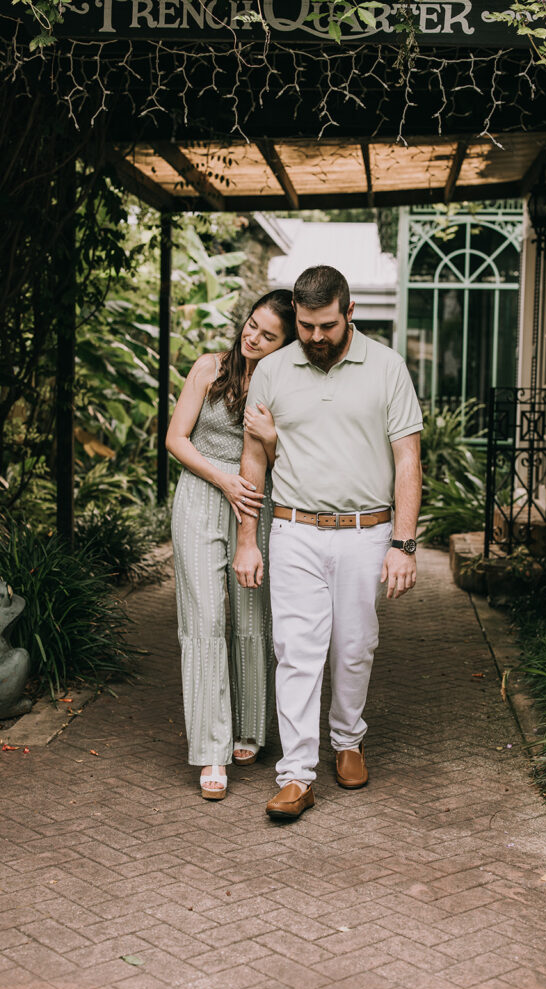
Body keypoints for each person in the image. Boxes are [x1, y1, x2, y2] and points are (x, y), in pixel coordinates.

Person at [233, 265, 423, 821]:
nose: (314, 337)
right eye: (305, 325)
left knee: (355, 646)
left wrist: (404, 544)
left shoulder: (387, 367)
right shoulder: (270, 370)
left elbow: (407, 458)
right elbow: (253, 458)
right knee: (295, 651)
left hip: (367, 533)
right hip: (293, 530)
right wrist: (250, 539)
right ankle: (295, 775)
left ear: (349, 313)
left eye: (327, 326)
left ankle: (347, 739)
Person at [167, 290, 296, 800]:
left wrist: (273, 441)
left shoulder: (284, 387)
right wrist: (221, 478)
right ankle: (209, 751)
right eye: (252, 325)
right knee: (203, 620)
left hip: (256, 501)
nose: (253, 337)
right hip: (201, 493)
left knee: (250, 614)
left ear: (284, 345)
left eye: (268, 335)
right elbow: (176, 438)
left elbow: (296, 452)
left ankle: (250, 728)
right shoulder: (208, 368)